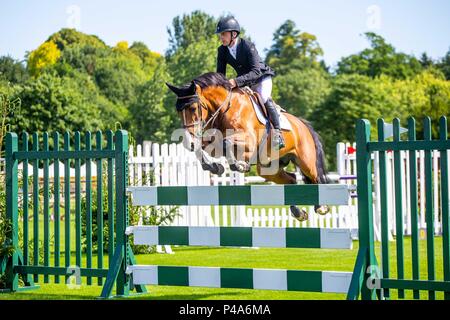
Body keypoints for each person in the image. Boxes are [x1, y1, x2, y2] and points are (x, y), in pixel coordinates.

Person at [215, 16, 285, 150]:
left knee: (263, 98)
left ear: (233, 34)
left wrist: (236, 81)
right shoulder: (222, 51)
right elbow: (220, 75)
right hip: (244, 82)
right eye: (220, 34)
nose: (221, 37)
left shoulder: (247, 46)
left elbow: (256, 71)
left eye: (223, 34)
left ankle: (278, 133)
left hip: (261, 78)